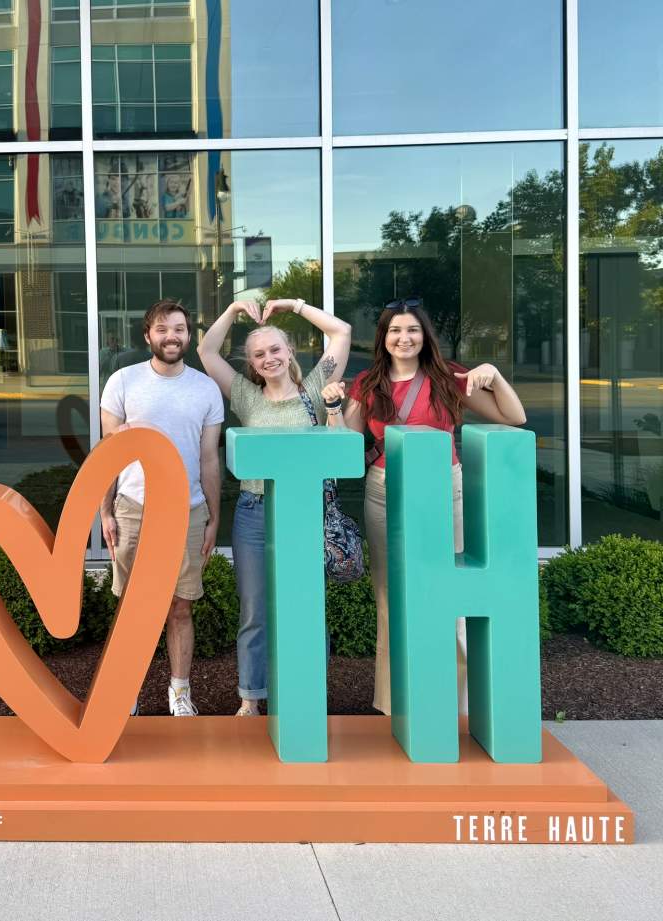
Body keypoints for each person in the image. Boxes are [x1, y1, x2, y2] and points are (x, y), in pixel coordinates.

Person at [321, 297, 527, 715]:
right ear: (383, 338)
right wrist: (331, 408)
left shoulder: (449, 377)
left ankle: (458, 704)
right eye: (395, 330)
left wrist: (495, 377)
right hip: (384, 491)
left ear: (424, 335)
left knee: (451, 595)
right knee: (390, 598)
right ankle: (394, 702)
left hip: (444, 491)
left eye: (412, 329)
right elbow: (344, 445)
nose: (404, 338)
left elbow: (514, 416)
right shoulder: (368, 382)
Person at [198, 297, 351, 715]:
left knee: (307, 606)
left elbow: (341, 332)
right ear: (250, 363)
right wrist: (230, 310)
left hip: (304, 514)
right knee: (254, 610)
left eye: (275, 350)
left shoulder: (317, 388)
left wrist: (296, 306)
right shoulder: (245, 395)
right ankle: (251, 697)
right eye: (259, 354)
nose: (269, 358)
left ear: (290, 353)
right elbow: (207, 352)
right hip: (254, 514)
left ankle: (307, 695)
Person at [100, 299, 224, 717]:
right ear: (147, 335)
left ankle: (179, 691)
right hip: (134, 506)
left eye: (180, 329)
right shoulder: (122, 381)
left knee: (180, 605)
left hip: (188, 511)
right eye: (163, 329)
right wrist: (105, 511)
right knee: (130, 605)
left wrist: (213, 517)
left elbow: (209, 458)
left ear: (189, 335)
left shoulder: (205, 388)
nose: (172, 336)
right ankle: (125, 689)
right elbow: (109, 452)